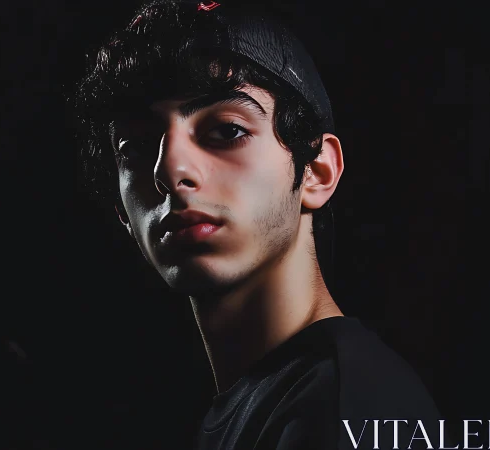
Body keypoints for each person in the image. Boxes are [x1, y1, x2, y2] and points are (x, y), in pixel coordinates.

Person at [70, 1, 442, 448]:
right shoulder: (272, 401)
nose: (169, 171)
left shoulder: (347, 406)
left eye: (227, 131)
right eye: (135, 147)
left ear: (316, 172)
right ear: (121, 212)